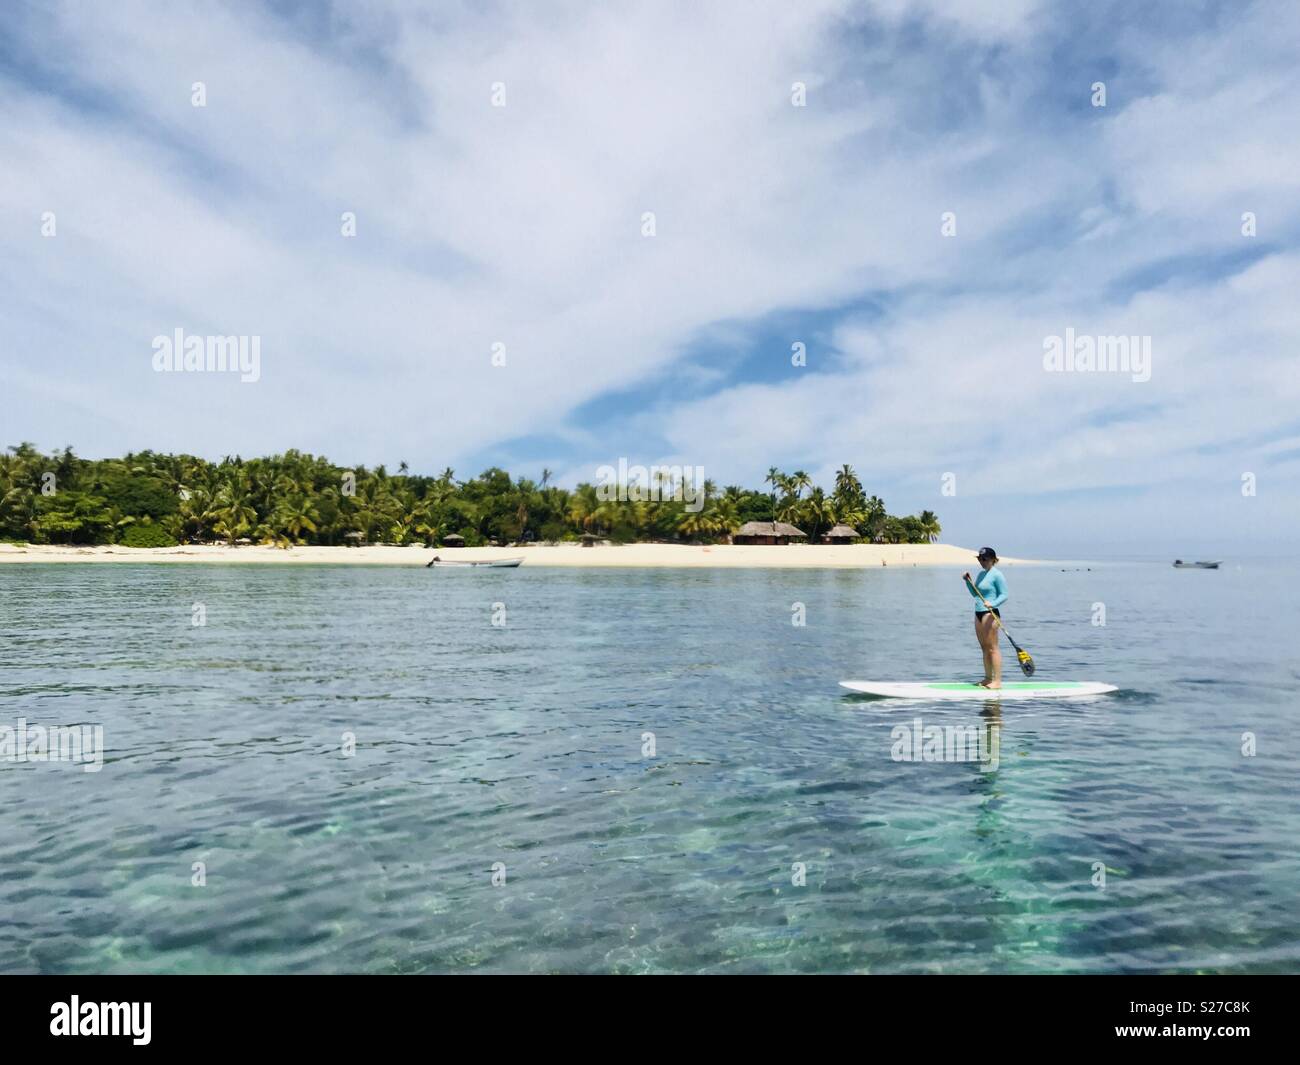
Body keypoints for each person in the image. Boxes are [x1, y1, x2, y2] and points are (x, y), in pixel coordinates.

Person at [963, 547, 1008, 689]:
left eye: (984, 559)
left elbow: (1004, 595)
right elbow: (975, 594)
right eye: (979, 559)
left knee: (993, 648)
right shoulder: (981, 574)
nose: (981, 561)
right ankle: (988, 678)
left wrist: (992, 603)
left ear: (993, 560)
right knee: (984, 648)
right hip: (978, 613)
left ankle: (998, 681)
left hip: (991, 613)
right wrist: (968, 581)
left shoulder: (997, 575)